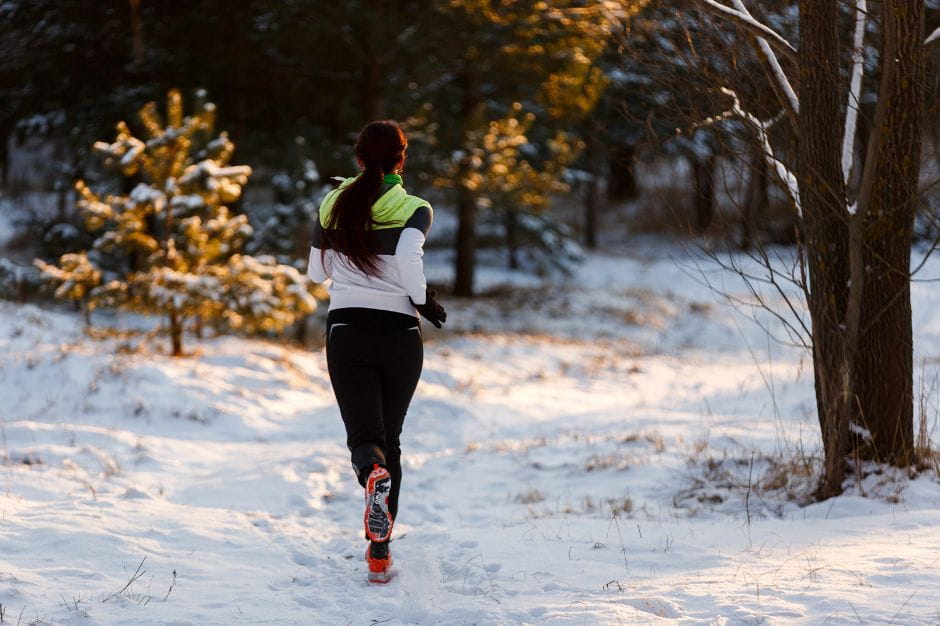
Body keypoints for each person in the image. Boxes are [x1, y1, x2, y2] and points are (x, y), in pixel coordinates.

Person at [306, 120, 446, 583]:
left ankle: (371, 474)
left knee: (365, 438)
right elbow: (409, 260)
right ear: (401, 161)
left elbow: (315, 272)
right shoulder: (415, 208)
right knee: (393, 438)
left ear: (358, 158)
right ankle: (380, 553)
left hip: (347, 329)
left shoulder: (332, 204)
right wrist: (423, 301)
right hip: (400, 334)